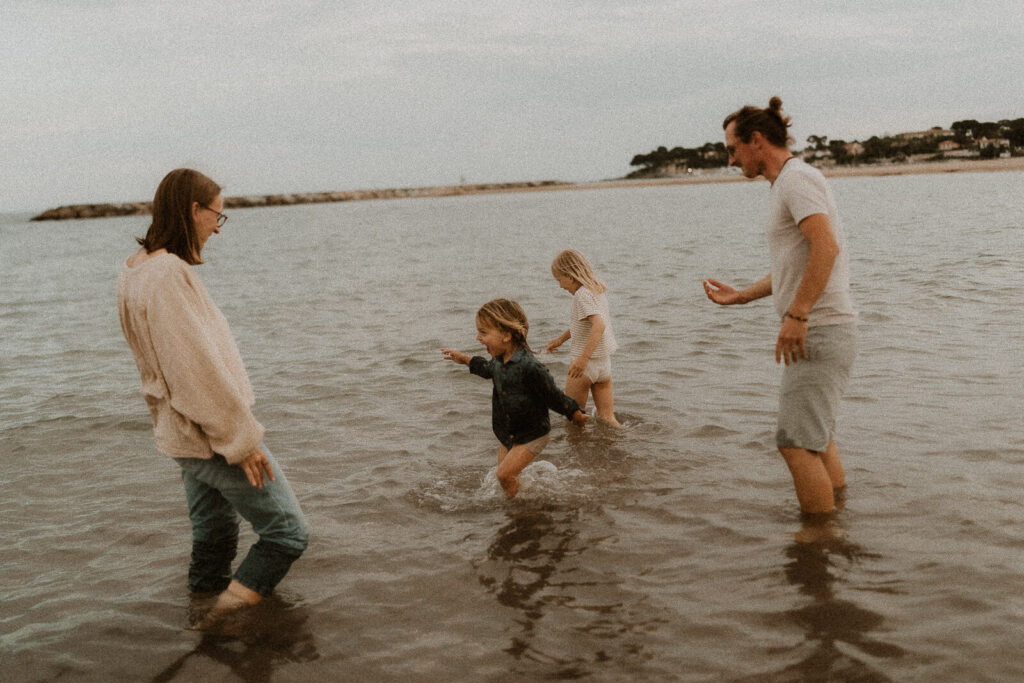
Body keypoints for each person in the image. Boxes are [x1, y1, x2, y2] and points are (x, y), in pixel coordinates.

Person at [116, 168, 308, 628]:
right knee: (287, 534)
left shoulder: (135, 267)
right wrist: (241, 441)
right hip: (208, 435)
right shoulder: (167, 275)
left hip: (180, 432)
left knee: (215, 533)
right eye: (216, 217)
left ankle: (197, 616)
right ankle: (217, 626)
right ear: (193, 211)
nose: (216, 230)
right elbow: (194, 370)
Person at [703, 97, 857, 515]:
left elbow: (826, 247)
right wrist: (742, 295)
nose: (731, 160)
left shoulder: (795, 180)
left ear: (756, 141)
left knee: (794, 443)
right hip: (823, 328)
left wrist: (798, 315)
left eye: (733, 149)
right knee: (817, 438)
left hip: (820, 328)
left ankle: (817, 543)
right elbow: (799, 265)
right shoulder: (787, 183)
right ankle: (839, 517)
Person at [441, 298, 589, 498]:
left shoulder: (530, 367)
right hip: (508, 432)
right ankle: (521, 501)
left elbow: (552, 396)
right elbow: (486, 369)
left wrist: (574, 413)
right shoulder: (498, 361)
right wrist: (465, 359)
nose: (478, 338)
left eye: (483, 332)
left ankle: (520, 516)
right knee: (502, 476)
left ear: (507, 335)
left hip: (532, 433)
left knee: (504, 475)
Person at [546, 249, 622, 427]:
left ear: (570, 276)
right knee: (608, 419)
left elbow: (599, 326)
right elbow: (583, 325)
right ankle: (627, 445)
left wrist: (583, 359)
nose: (561, 286)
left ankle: (576, 455)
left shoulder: (581, 296)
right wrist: (560, 340)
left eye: (560, 280)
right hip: (603, 365)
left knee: (574, 419)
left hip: (585, 367)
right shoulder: (596, 290)